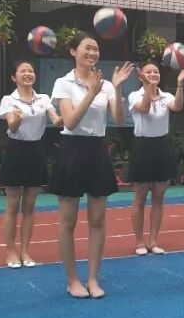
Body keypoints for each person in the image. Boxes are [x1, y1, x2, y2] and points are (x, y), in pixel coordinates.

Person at [50, 33, 133, 299]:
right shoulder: (63, 83)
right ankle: (72, 280)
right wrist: (92, 93)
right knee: (68, 221)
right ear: (73, 51)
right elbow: (70, 122)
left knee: (97, 220)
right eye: (87, 48)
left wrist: (116, 89)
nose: (92, 53)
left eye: (96, 49)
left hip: (97, 149)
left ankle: (93, 278)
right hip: (72, 149)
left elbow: (119, 119)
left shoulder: (105, 84)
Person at [0, 59, 61, 268]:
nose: (27, 74)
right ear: (14, 77)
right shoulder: (9, 100)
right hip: (16, 151)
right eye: (23, 71)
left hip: (36, 151)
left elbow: (57, 120)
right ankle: (10, 251)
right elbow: (12, 127)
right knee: (12, 206)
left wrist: (75, 112)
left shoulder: (44, 98)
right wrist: (17, 119)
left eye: (30, 70)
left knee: (30, 206)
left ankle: (25, 251)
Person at [128, 62, 184, 255]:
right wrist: (148, 88)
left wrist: (180, 84)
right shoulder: (134, 95)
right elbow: (144, 109)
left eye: (156, 71)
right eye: (149, 72)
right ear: (141, 76)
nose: (153, 74)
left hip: (162, 146)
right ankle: (140, 242)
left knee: (158, 198)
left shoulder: (166, 96)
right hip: (142, 146)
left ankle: (153, 240)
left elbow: (177, 106)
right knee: (139, 198)